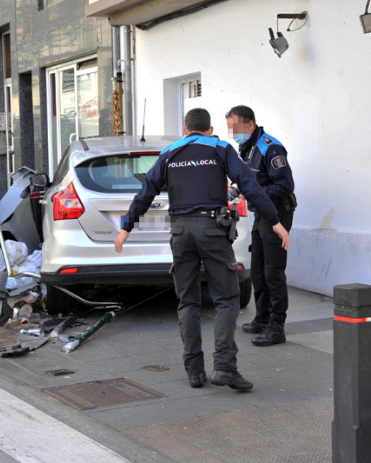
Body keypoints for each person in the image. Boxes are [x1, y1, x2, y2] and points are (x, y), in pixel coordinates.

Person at [114, 108, 289, 391]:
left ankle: (194, 371)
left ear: (185, 129)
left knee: (188, 302)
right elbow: (250, 185)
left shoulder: (169, 152)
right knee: (227, 298)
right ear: (209, 129)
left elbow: (146, 191)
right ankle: (225, 367)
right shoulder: (220, 148)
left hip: (180, 232)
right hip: (211, 230)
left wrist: (126, 227)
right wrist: (275, 221)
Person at [226, 106, 296, 347]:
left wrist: (252, 193)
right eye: (231, 129)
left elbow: (285, 186)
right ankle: (262, 318)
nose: (233, 133)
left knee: (273, 271)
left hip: (278, 214)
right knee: (257, 269)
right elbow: (248, 179)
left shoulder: (270, 147)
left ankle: (277, 327)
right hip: (261, 215)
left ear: (251, 125)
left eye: (236, 128)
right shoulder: (247, 148)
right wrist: (235, 191)